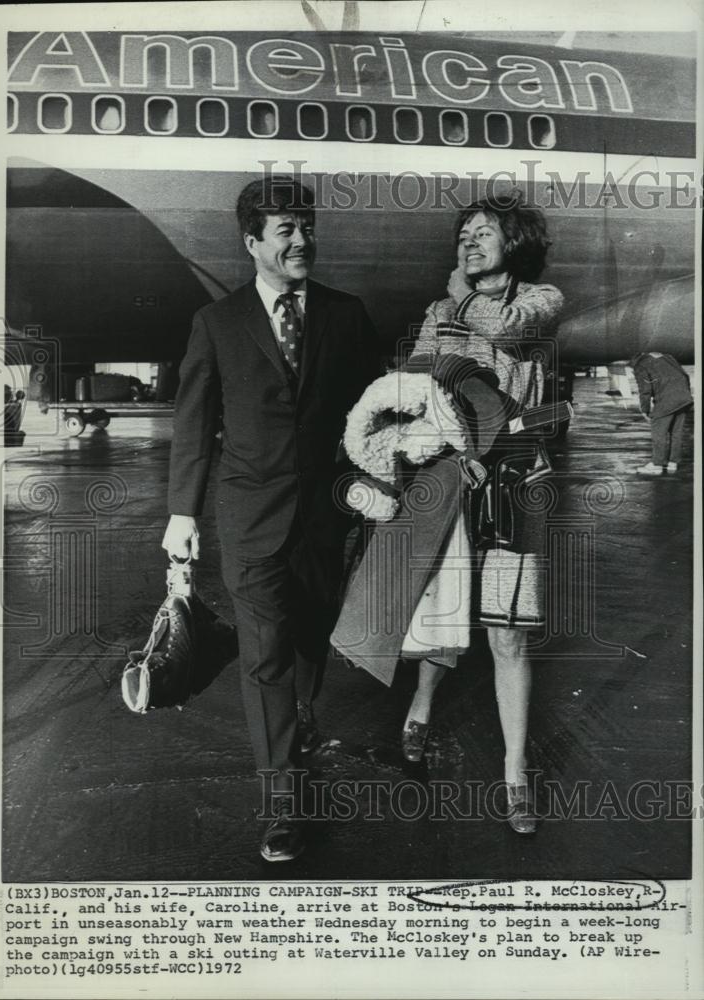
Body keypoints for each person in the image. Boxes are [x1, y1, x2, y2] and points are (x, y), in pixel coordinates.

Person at [162, 177, 379, 862]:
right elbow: (194, 424)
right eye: (285, 230)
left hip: (325, 516)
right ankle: (283, 803)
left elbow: (373, 412)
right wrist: (181, 513)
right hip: (251, 515)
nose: (301, 240)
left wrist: (377, 481)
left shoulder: (346, 315)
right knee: (264, 656)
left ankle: (300, 715)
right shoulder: (217, 323)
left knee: (311, 636)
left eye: (307, 226)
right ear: (251, 242)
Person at [399, 194, 563, 832]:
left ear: (514, 242)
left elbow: (511, 329)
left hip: (517, 485)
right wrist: (441, 443)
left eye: (483, 232)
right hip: (452, 476)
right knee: (443, 614)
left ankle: (515, 771)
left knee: (508, 633)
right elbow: (417, 381)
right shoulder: (438, 312)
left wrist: (461, 299)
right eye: (463, 233)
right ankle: (421, 705)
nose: (468, 241)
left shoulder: (541, 299)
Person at [631, 352, 693, 476]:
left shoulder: (640, 365)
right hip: (684, 398)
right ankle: (673, 463)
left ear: (633, 362)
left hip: (668, 400)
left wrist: (645, 410)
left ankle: (657, 465)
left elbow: (645, 390)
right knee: (676, 433)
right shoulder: (668, 357)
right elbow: (685, 375)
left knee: (658, 432)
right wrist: (685, 394)